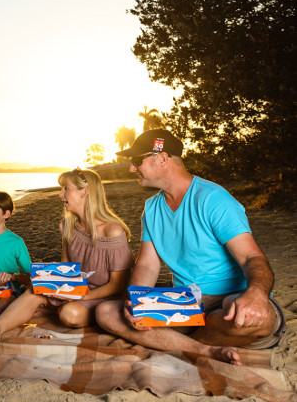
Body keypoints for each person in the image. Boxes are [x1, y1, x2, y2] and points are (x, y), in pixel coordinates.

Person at [95, 129, 286, 366]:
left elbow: (251, 257)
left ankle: (178, 341)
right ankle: (204, 349)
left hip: (232, 298)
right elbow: (146, 265)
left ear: (162, 158)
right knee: (106, 313)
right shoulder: (151, 208)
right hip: (186, 301)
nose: (132, 168)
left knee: (248, 316)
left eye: (136, 161)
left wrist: (256, 294)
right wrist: (136, 300)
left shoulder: (213, 199)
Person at [0, 169, 133, 341]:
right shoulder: (67, 226)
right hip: (73, 291)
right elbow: (66, 269)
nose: (60, 194)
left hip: (102, 297)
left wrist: (81, 296)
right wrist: (50, 286)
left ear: (84, 192)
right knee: (34, 290)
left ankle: (51, 310)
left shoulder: (112, 230)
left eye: (65, 189)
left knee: (69, 314)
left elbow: (116, 285)